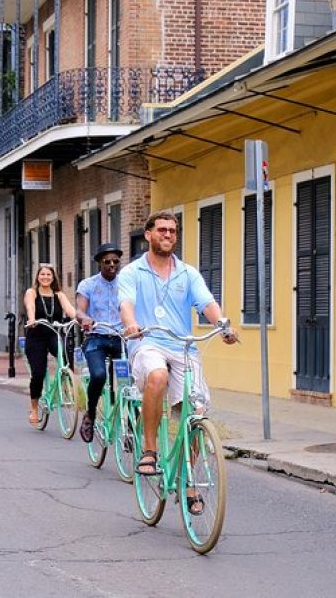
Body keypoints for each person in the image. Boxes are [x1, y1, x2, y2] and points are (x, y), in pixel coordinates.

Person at [118, 211, 238, 512]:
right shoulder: (133, 272)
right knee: (157, 376)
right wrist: (132, 324)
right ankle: (149, 450)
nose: (168, 235)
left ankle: (187, 482)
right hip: (148, 342)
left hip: (183, 348)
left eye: (172, 230)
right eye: (162, 230)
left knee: (196, 414)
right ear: (148, 234)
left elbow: (206, 303)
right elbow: (126, 304)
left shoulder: (188, 273)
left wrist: (222, 324)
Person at [75, 242, 124, 443]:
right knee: (98, 375)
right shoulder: (88, 285)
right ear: (99, 264)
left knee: (132, 382)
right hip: (97, 337)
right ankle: (91, 414)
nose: (112, 265)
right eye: (107, 262)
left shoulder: (126, 283)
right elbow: (79, 310)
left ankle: (132, 422)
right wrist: (84, 318)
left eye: (115, 262)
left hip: (122, 338)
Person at [23, 264, 77, 426]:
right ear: (37, 277)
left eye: (49, 275)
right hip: (36, 336)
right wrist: (32, 319)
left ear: (53, 278)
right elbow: (30, 306)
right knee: (38, 373)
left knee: (65, 357)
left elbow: (69, 310)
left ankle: (66, 387)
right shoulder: (31, 292)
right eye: (42, 274)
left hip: (53, 334)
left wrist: (79, 319)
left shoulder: (59, 295)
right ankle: (34, 407)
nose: (45, 277)